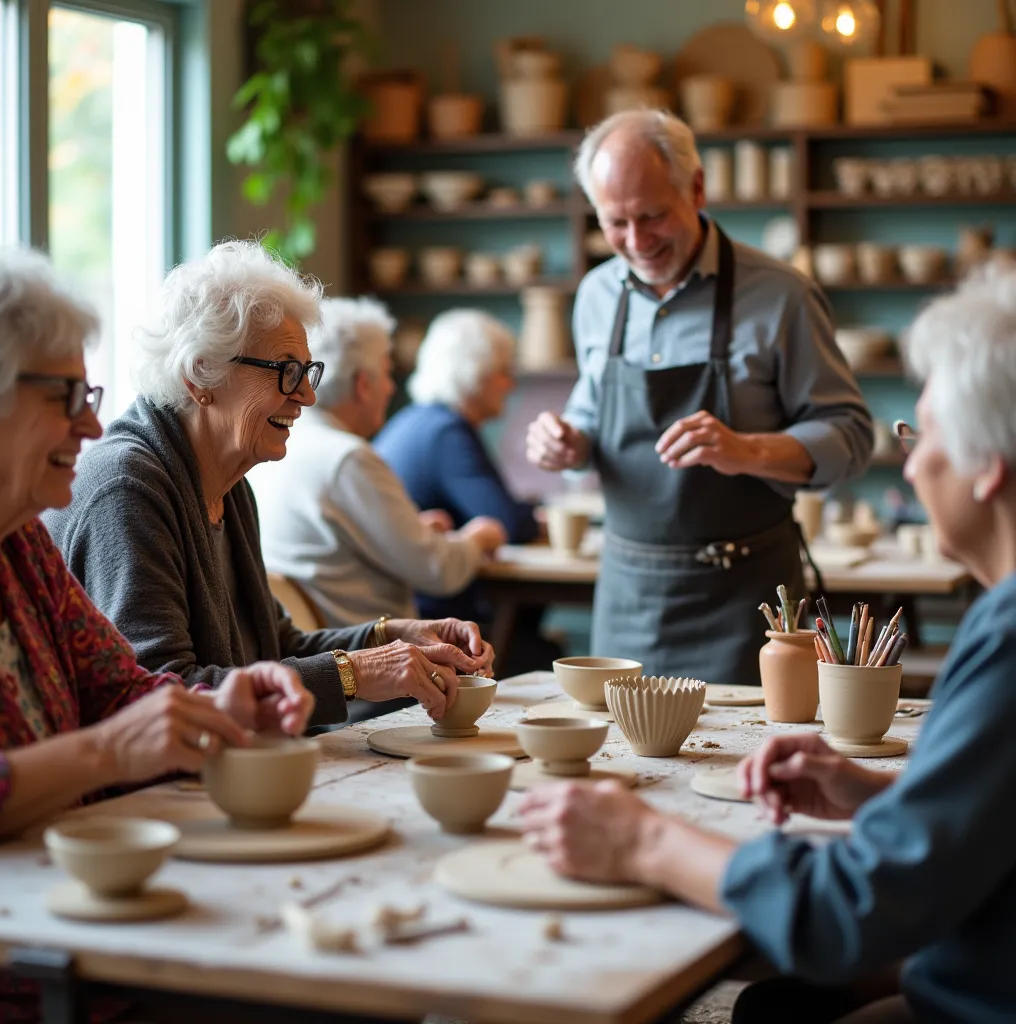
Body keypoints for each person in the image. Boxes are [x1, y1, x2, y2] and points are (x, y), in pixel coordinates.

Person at [521, 264, 1016, 1023]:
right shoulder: (599, 296)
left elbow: (855, 913)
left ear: (990, 470)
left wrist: (641, 840)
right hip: (634, 579)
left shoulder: (1006, 640)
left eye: (925, 435)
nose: (910, 464)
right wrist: (886, 796)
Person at [0, 246, 318, 1021]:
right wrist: (110, 749)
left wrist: (224, 703)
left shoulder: (21, 550)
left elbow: (126, 689)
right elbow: (120, 730)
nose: (91, 422)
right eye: (65, 394)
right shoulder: (125, 481)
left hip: (78, 918)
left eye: (90, 392)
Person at [44, 241, 494, 732]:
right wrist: (354, 673)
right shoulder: (129, 491)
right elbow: (163, 691)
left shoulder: (225, 482)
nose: (307, 394)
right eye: (286, 371)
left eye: (307, 371)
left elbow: (274, 646)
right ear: (201, 374)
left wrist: (392, 638)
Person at [525, 110, 873, 685]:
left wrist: (750, 451)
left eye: (653, 215)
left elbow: (852, 435)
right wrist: (566, 440)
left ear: (698, 187)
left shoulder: (782, 295)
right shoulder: (595, 295)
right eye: (616, 223)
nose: (636, 242)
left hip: (749, 603)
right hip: (628, 597)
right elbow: (591, 415)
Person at [252, 297, 507, 630]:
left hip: (306, 647)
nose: (392, 388)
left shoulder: (282, 444)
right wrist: (477, 539)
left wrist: (414, 531)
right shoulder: (348, 459)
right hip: (369, 654)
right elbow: (438, 571)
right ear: (363, 384)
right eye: (387, 373)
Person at [374, 309, 558, 676]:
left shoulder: (416, 419)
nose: (510, 383)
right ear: (474, 377)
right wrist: (530, 514)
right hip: (432, 619)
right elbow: (503, 521)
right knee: (540, 653)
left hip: (412, 605)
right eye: (503, 372)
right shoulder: (446, 430)